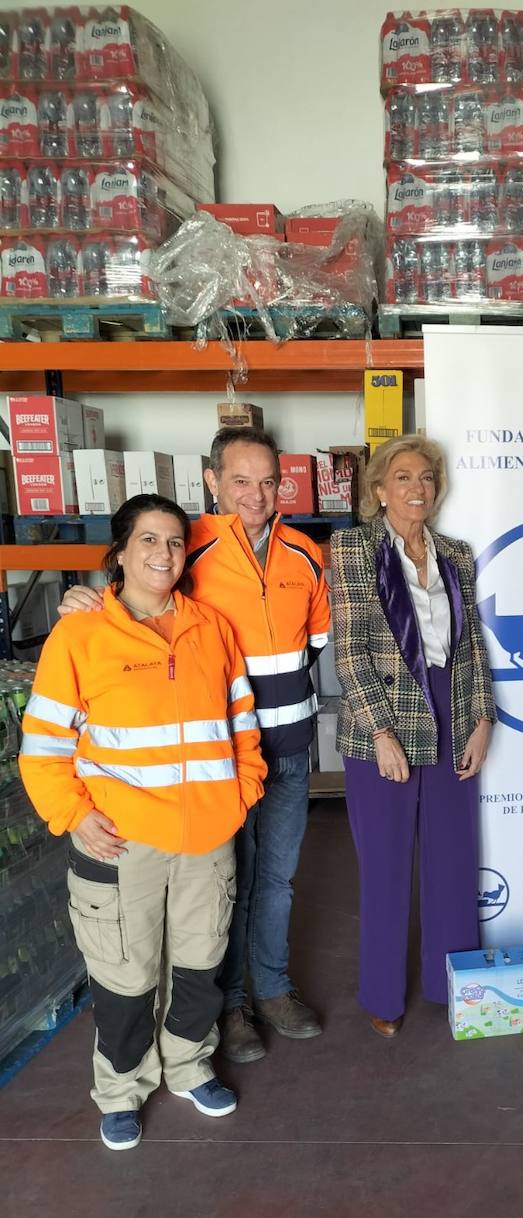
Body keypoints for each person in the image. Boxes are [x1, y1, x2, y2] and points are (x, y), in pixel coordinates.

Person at [57, 427, 331, 1064]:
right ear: (212, 481)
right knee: (226, 888)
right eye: (240, 481)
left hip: (288, 749)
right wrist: (84, 599)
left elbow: (315, 642)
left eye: (268, 481)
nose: (256, 495)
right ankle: (229, 1005)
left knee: (279, 880)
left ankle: (273, 988)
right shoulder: (188, 547)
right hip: (217, 758)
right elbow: (139, 604)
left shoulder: (304, 553)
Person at [19, 495, 266, 1151]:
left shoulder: (211, 628)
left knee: (200, 963)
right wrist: (73, 815)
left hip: (207, 837)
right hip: (120, 841)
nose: (164, 553)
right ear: (121, 552)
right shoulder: (80, 635)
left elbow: (242, 724)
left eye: (176, 542)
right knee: (124, 977)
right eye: (149, 540)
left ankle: (189, 1066)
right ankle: (121, 1089)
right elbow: (42, 747)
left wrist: (240, 794)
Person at [330, 434, 495, 1037]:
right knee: (385, 865)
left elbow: (472, 648)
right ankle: (383, 996)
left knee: (454, 861)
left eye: (426, 477)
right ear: (379, 490)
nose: (417, 488)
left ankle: (453, 984)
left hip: (453, 713)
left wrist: (482, 719)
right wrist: (380, 732)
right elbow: (350, 651)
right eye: (402, 477)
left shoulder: (457, 555)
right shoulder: (352, 548)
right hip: (384, 721)